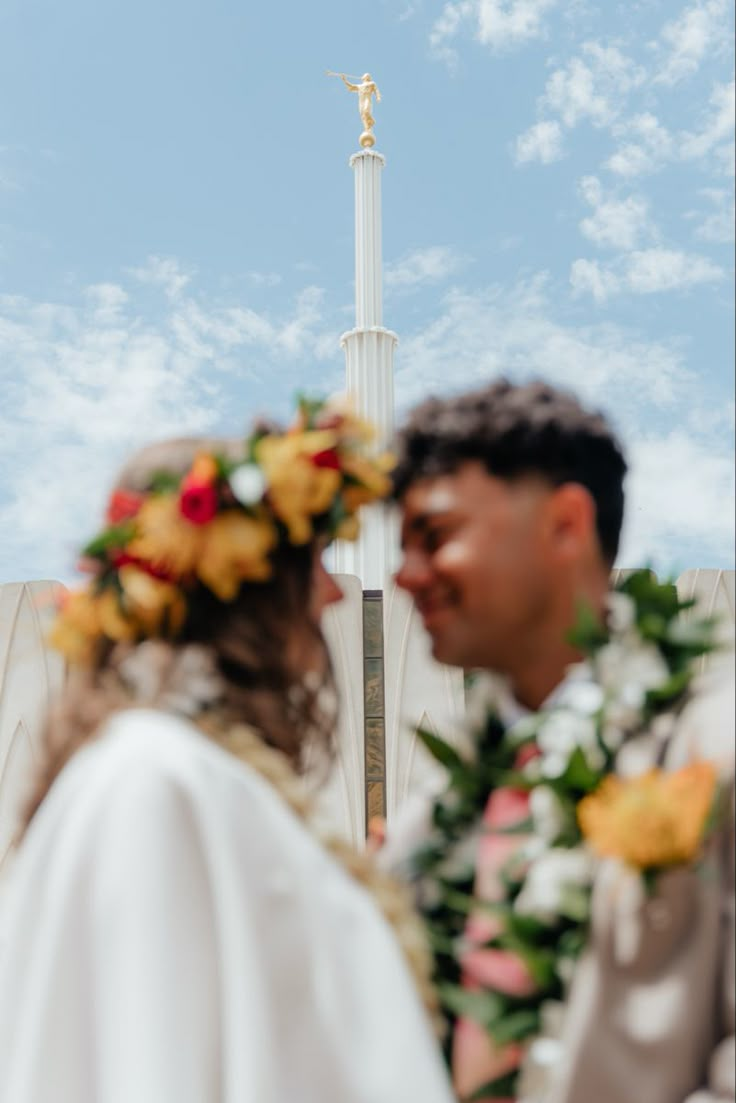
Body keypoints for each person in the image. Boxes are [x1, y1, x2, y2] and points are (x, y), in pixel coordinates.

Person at [0, 397, 455, 1103]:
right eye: (312, 565)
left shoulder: (187, 773)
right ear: (245, 586)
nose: (334, 595)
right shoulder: (153, 780)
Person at [386, 378, 735, 1103]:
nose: (407, 574)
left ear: (566, 525)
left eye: (438, 536)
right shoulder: (431, 819)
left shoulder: (713, 748)